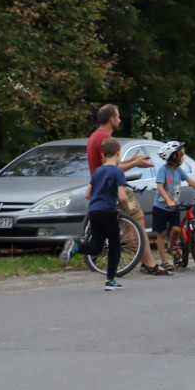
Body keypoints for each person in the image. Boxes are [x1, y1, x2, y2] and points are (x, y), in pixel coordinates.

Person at [80, 104, 163, 274]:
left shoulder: (94, 137)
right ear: (111, 119)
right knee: (136, 224)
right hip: (112, 188)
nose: (119, 120)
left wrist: (130, 161)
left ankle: (144, 262)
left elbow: (109, 164)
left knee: (123, 228)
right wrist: (135, 163)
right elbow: (113, 170)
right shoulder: (107, 139)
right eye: (117, 117)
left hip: (99, 189)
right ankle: (150, 264)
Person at [60, 137, 132, 290]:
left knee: (96, 246)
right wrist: (128, 207)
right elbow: (123, 196)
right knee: (114, 246)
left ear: (102, 156)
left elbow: (87, 194)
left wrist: (99, 199)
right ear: (119, 153)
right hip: (109, 212)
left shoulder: (98, 171)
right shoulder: (118, 171)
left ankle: (76, 247)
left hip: (94, 211)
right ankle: (110, 281)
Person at [152, 141, 195, 271]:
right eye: (182, 156)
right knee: (161, 234)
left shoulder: (179, 170)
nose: (183, 158)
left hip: (174, 207)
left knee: (177, 230)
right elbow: (160, 187)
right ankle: (164, 261)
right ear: (175, 158)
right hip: (161, 207)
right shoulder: (163, 170)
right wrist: (168, 200)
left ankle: (171, 247)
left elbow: (191, 182)